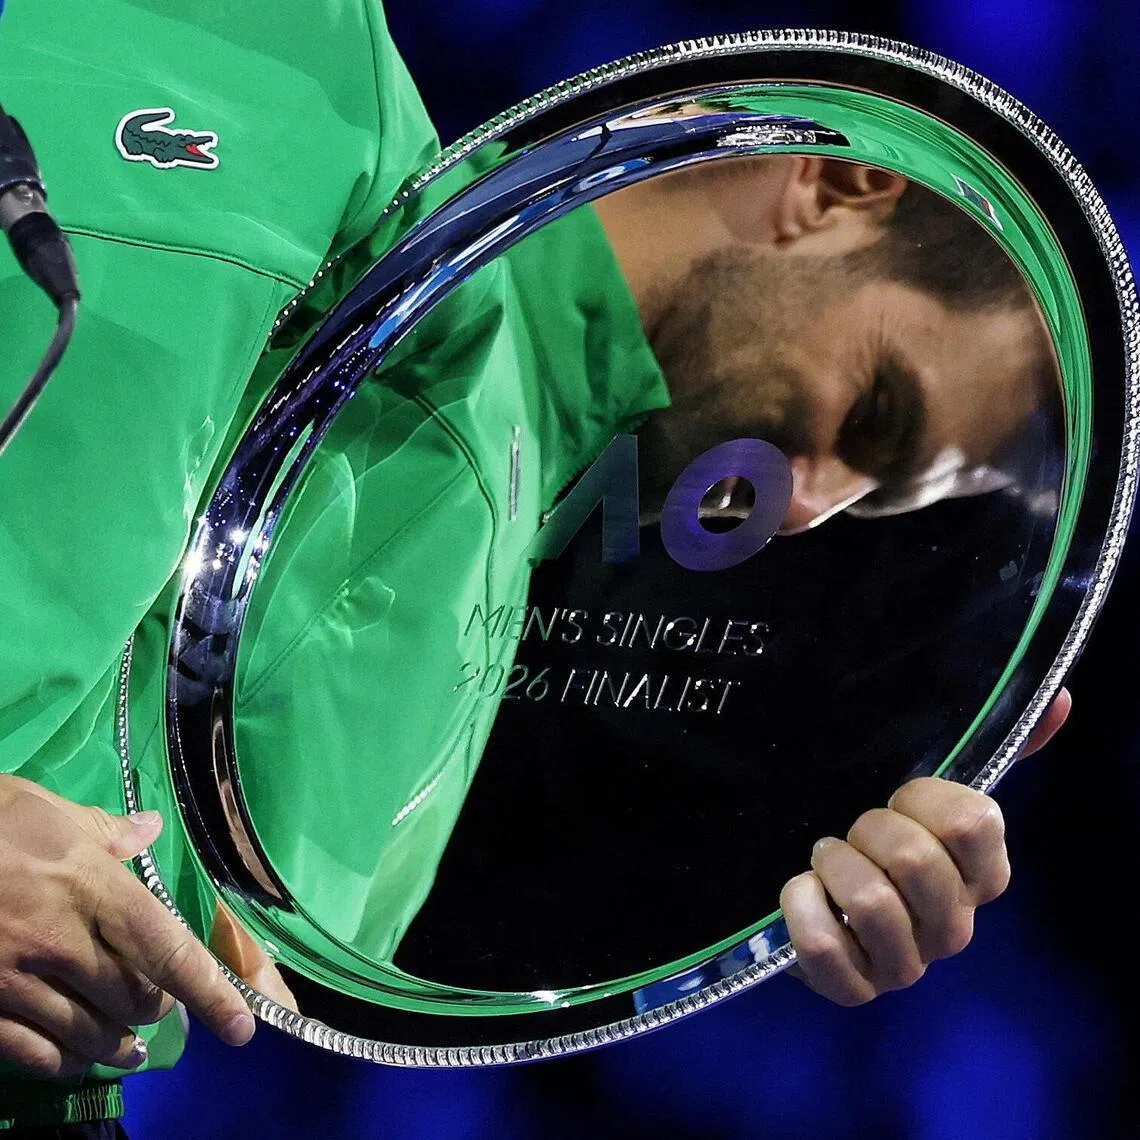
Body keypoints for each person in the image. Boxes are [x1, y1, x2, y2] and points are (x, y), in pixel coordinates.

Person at [0, 3, 1070, 1136]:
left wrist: (779, 896)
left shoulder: (512, 582)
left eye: (875, 501)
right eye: (875, 411)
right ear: (837, 187)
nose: (804, 504)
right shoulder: (297, 65)